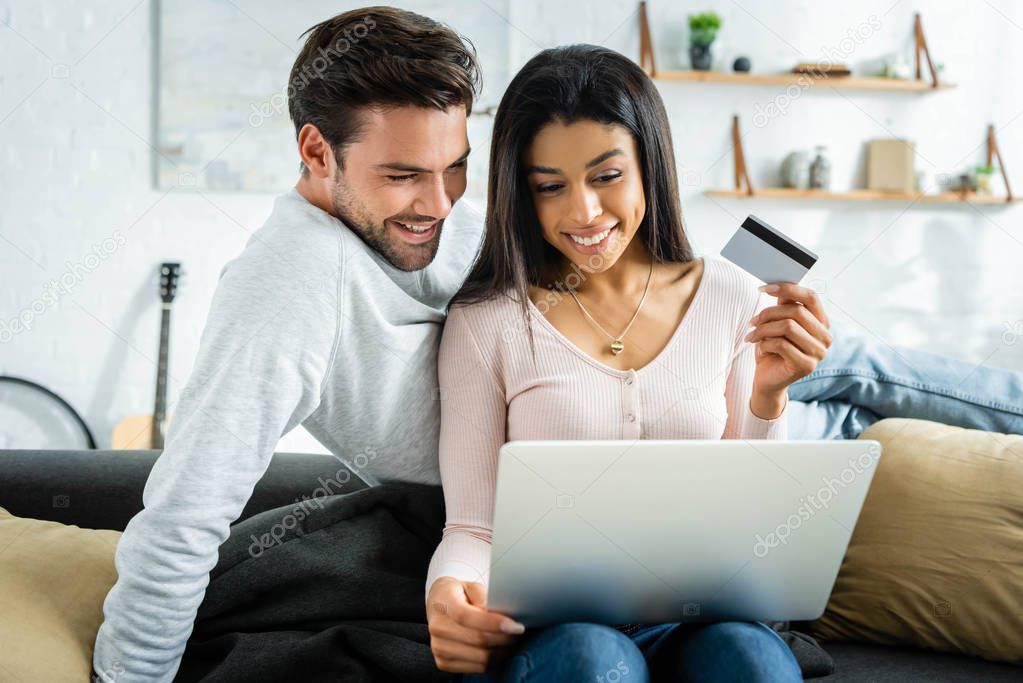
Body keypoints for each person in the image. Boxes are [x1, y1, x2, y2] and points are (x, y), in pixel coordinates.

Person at [422, 43, 1023, 682]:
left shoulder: (735, 292)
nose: (584, 214)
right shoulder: (486, 322)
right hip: (558, 630)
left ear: (650, 166)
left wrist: (769, 398)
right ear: (521, 191)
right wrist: (449, 591)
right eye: (550, 187)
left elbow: (755, 520)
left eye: (606, 177)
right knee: (594, 661)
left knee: (752, 663)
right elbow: (473, 526)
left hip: (705, 619)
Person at [92, 8, 484, 681]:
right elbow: (187, 508)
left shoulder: (463, 218)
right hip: (457, 543)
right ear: (315, 151)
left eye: (454, 166)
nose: (439, 202)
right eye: (401, 175)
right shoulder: (289, 282)